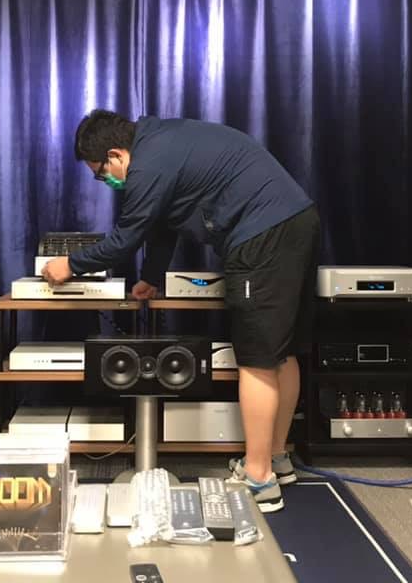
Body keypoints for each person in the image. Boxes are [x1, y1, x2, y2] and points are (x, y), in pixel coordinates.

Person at [41, 110, 321, 513]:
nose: (107, 182)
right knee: (281, 352)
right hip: (297, 221)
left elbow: (124, 240)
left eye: (102, 175)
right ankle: (276, 458)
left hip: (262, 236)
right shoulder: (162, 141)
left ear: (116, 155)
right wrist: (151, 277)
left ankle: (259, 479)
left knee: (257, 359)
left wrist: (69, 265)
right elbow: (163, 223)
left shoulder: (148, 165)